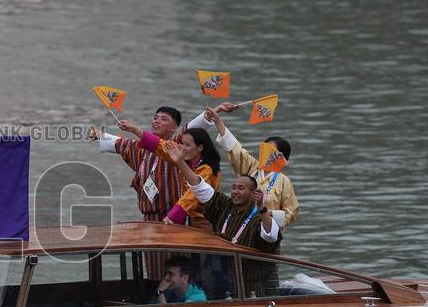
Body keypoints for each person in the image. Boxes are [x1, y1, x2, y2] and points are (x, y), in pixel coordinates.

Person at [168, 143, 281, 296]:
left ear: (254, 193)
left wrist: (262, 207)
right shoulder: (225, 206)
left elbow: (271, 236)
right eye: (233, 187)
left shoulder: (259, 217)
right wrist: (180, 162)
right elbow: (200, 188)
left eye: (241, 188)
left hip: (256, 290)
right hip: (226, 283)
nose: (234, 192)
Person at [188, 103, 299, 231]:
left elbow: (292, 212)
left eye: (270, 150)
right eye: (264, 148)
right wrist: (218, 121)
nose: (264, 153)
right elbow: (235, 148)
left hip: (266, 233)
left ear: (281, 157)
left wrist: (269, 214)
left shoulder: (284, 181)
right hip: (241, 228)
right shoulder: (252, 168)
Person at [114, 121, 221, 230]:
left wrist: (172, 217)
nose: (182, 148)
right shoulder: (186, 158)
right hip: (189, 220)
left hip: (205, 223)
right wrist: (135, 129)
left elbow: (191, 196)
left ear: (200, 148)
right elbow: (162, 146)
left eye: (187, 145)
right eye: (182, 143)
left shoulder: (207, 170)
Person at [88, 106, 184, 225]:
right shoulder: (141, 148)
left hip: (172, 219)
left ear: (174, 128)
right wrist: (100, 136)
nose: (156, 121)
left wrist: (210, 116)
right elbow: (120, 143)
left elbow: (194, 127)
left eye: (163, 119)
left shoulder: (177, 147)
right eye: (155, 118)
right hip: (149, 218)